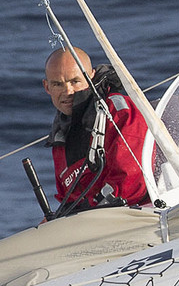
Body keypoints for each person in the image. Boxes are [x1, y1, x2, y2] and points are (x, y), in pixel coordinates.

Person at [43, 45, 155, 213]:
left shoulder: (117, 112)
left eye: (75, 81)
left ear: (91, 77)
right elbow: (68, 195)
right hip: (93, 223)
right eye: (58, 84)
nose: (68, 91)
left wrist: (92, 210)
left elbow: (131, 180)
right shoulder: (61, 135)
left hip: (134, 215)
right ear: (47, 87)